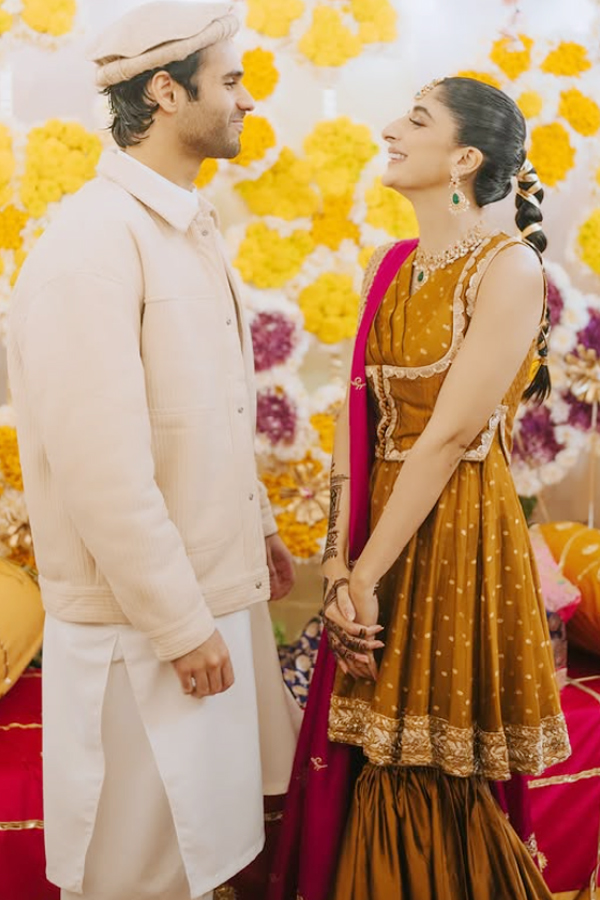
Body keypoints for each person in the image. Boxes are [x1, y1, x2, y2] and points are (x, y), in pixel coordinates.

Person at [7, 3, 299, 900]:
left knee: (205, 861)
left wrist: (254, 529)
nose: (250, 99)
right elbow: (101, 466)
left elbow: (203, 410)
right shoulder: (91, 242)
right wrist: (179, 622)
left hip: (209, 600)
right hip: (148, 626)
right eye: (234, 79)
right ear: (167, 92)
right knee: (136, 874)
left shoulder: (187, 226)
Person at [269, 76, 571, 900]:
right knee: (366, 749)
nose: (389, 129)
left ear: (464, 158)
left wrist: (362, 574)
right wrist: (337, 565)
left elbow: (444, 441)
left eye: (416, 119)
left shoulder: (507, 268)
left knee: (428, 763)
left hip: (455, 531)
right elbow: (352, 424)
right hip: (374, 530)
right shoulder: (390, 264)